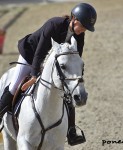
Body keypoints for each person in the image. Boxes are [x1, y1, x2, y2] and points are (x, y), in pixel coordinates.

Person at [0, 3, 97, 146]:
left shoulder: (79, 35)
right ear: (74, 19)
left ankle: (71, 131)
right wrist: (33, 77)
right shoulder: (54, 25)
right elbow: (39, 53)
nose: (83, 30)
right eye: (82, 26)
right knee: (14, 86)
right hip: (31, 56)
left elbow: (76, 58)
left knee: (68, 95)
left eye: (86, 28)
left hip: (53, 63)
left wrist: (74, 80)